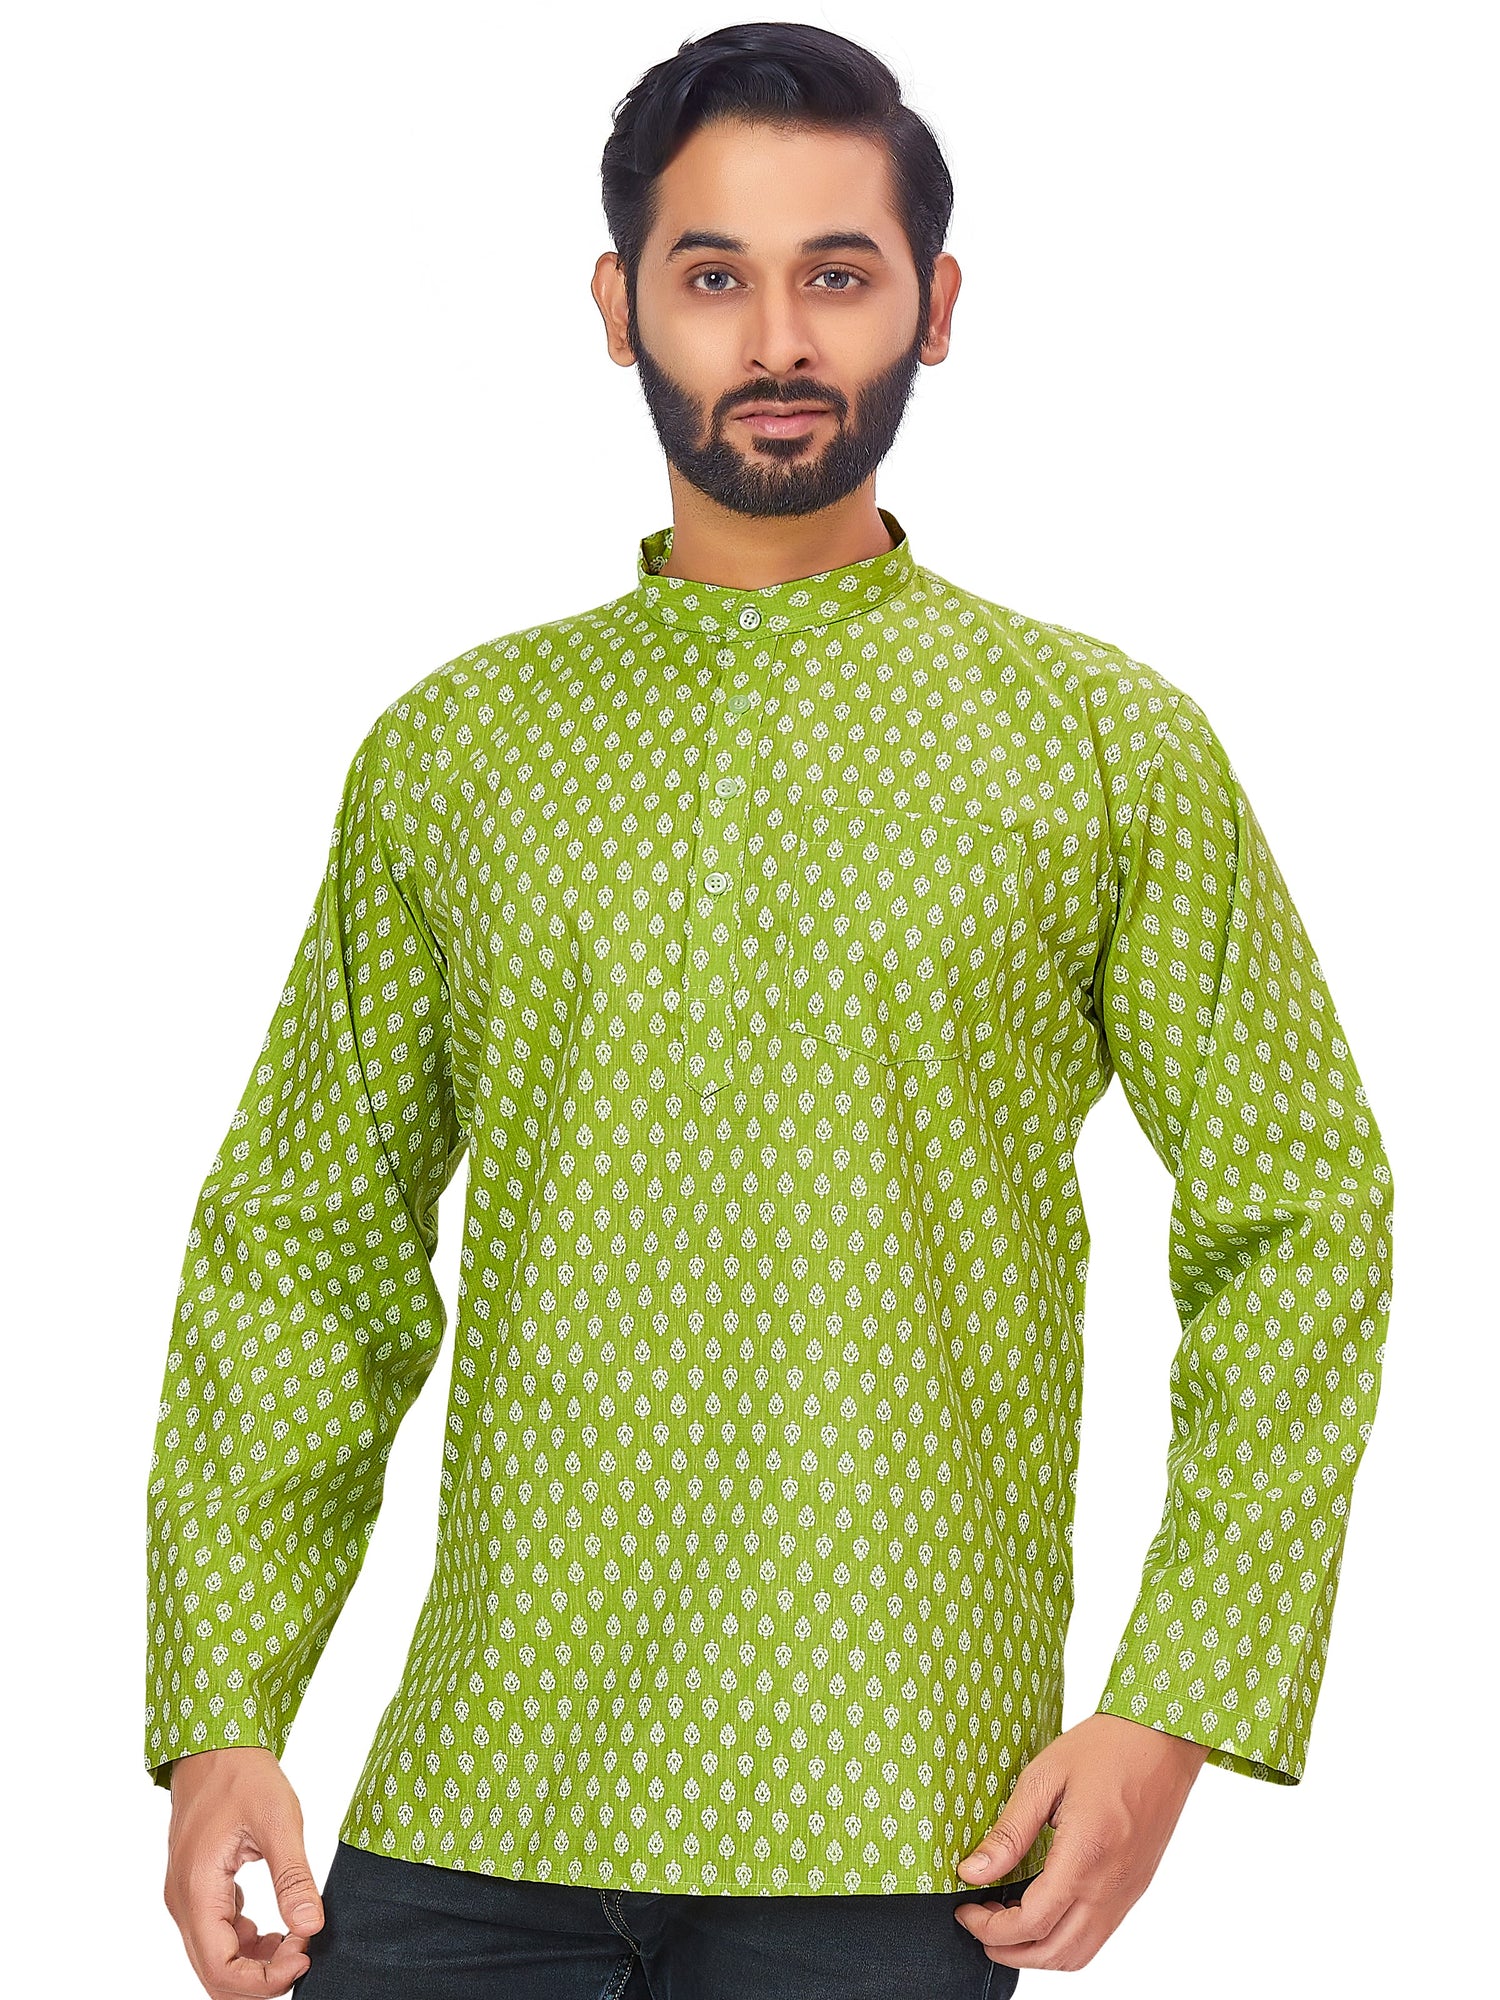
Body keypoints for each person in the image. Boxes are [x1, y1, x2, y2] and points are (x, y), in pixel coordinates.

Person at [145, 21, 1395, 1999]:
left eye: (840, 272)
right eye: (715, 274)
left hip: (907, 1825)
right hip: (474, 1808)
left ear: (938, 307)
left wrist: (1176, 1709)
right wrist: (223, 1713)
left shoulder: (1100, 742)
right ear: (618, 307)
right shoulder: (459, 750)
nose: (780, 337)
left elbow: (1301, 1209)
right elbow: (309, 1237)